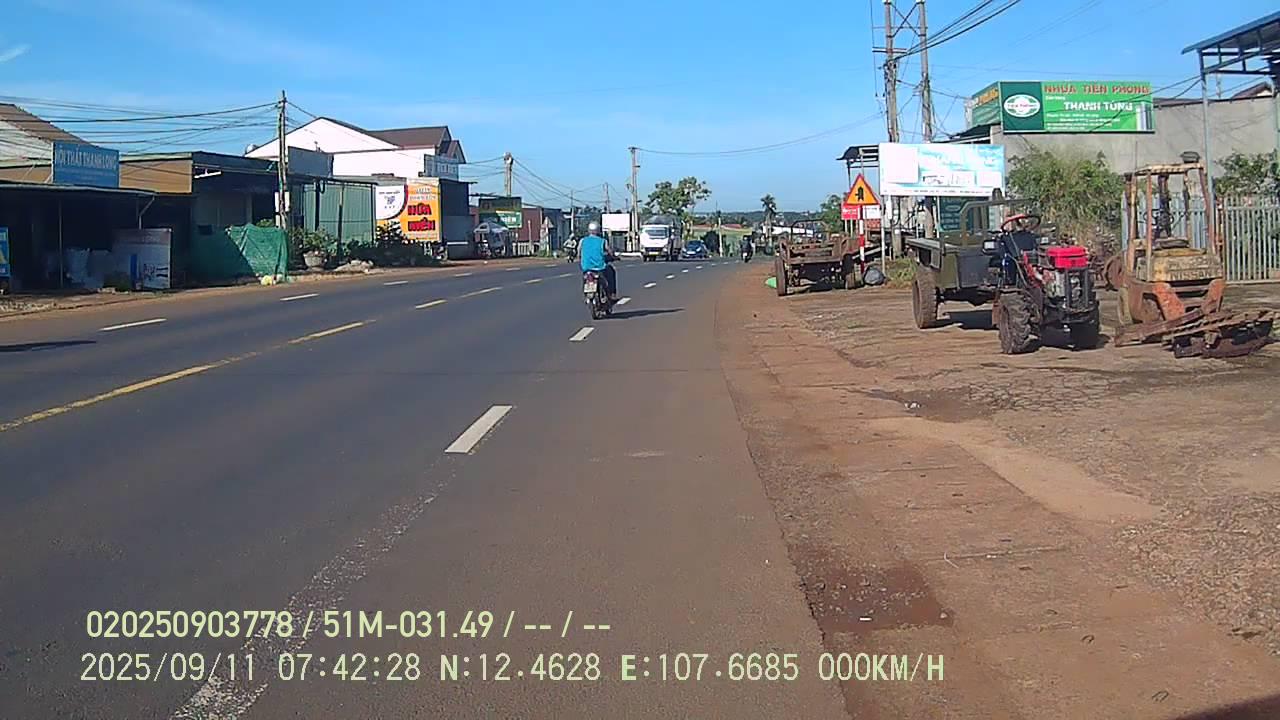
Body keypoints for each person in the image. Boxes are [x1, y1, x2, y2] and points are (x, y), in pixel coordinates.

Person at [578, 222, 618, 300]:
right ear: (598, 230)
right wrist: (614, 257)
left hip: (586, 267)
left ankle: (586, 294)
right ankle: (612, 293)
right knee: (611, 271)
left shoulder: (582, 240)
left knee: (585, 277)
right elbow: (610, 251)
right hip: (599, 267)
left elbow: (578, 252)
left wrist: (582, 258)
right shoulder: (602, 241)